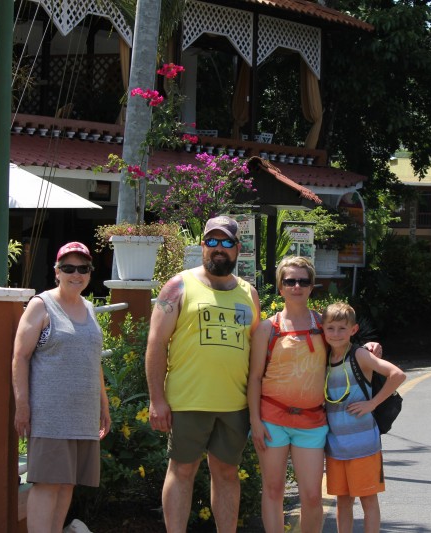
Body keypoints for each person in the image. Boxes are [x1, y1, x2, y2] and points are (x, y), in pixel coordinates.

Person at [146, 215, 261, 533]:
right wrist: (157, 399)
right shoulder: (179, 285)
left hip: (234, 405)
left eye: (226, 242)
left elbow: (257, 350)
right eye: (212, 241)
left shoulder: (249, 294)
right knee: (182, 471)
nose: (218, 248)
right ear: (202, 246)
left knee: (227, 473)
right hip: (187, 402)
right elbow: (155, 345)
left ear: (238, 248)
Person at [12, 242, 111, 533]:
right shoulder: (41, 305)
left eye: (83, 268)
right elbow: (20, 356)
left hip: (82, 415)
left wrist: (104, 406)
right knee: (46, 483)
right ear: (57, 271)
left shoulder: (90, 308)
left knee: (68, 482)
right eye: (68, 268)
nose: (76, 274)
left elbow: (94, 361)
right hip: (50, 415)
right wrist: (22, 406)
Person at [248, 256, 328, 533]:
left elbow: (346, 351)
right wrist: (255, 422)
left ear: (311, 286)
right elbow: (255, 378)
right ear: (280, 287)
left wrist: (371, 348)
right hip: (272, 420)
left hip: (312, 422)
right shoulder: (267, 329)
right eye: (290, 281)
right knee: (273, 490)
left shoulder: (324, 325)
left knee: (312, 496)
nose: (296, 286)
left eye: (303, 281)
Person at [322, 302, 406, 533]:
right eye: (331, 328)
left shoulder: (359, 355)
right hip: (336, 446)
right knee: (343, 501)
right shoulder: (324, 358)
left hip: (364, 446)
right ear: (323, 329)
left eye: (342, 328)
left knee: (368, 501)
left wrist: (372, 403)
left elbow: (397, 375)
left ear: (353, 330)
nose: (336, 333)